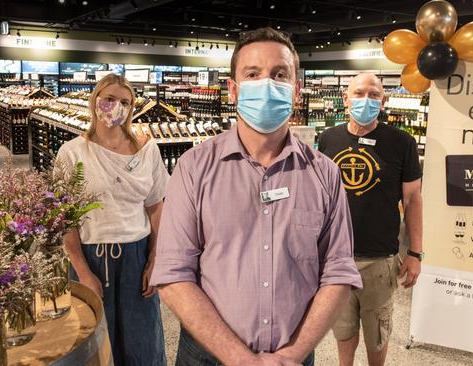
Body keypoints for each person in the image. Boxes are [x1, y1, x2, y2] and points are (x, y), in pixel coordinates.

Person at [150, 27, 362, 366]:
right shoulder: (194, 167)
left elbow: (338, 271)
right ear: (233, 89)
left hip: (293, 356)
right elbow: (174, 274)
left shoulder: (325, 174)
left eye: (279, 74)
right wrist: (239, 358)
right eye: (253, 74)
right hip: (207, 355)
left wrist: (293, 354)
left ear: (296, 90)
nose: (267, 84)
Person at [55, 74, 168, 365]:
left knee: (143, 342)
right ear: (94, 101)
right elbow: (66, 220)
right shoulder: (71, 152)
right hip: (92, 257)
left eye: (125, 102)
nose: (116, 106)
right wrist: (82, 272)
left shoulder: (147, 150)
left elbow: (156, 207)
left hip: (137, 254)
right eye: (109, 99)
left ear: (132, 108)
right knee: (95, 342)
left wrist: (156, 259)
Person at [317, 73, 424, 366]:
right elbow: (319, 198)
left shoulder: (402, 142)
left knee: (377, 334)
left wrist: (415, 252)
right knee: (343, 331)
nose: (366, 100)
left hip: (379, 260)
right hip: (336, 259)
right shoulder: (328, 138)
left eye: (374, 95)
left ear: (383, 101)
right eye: (359, 93)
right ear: (345, 98)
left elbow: (413, 200)